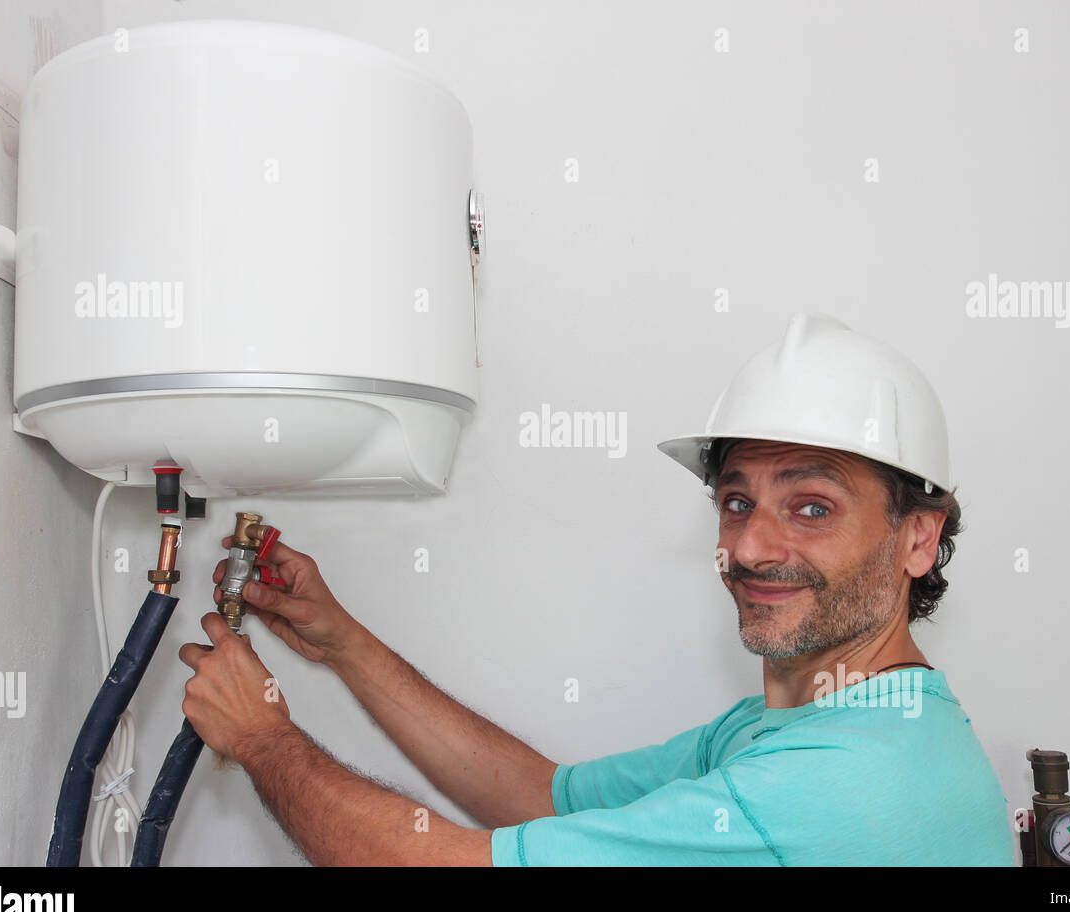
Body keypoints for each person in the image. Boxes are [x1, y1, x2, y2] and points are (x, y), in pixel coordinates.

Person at [179, 312, 1016, 865]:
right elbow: (541, 797)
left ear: (918, 536)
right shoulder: (824, 726)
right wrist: (342, 641)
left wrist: (264, 740)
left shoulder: (836, 789)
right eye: (736, 500)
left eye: (811, 506)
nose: (752, 546)